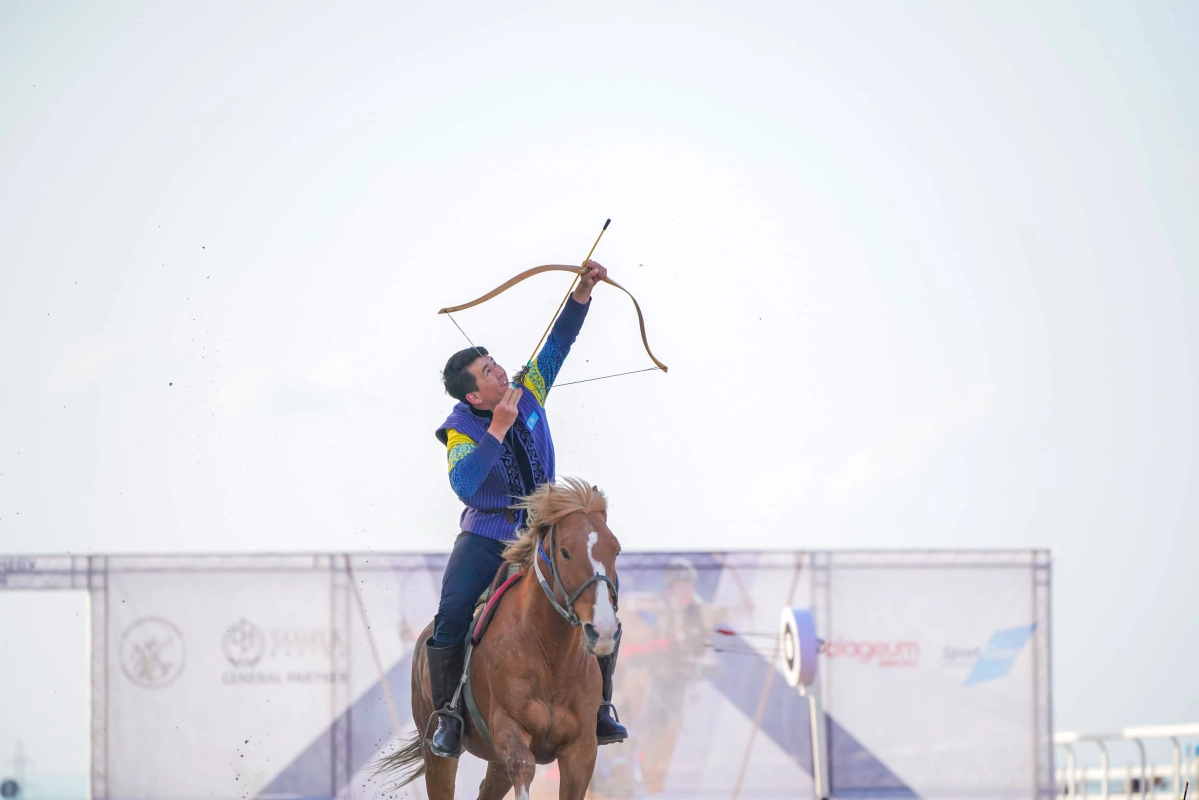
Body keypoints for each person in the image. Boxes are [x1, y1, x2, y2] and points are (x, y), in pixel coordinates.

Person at [428, 259, 627, 758]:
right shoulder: (460, 428)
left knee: (600, 598)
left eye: (496, 363)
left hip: (543, 536)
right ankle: (449, 714)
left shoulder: (528, 390)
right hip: (488, 538)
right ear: (474, 394)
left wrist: (582, 292)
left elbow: (558, 345)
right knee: (452, 613)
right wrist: (497, 428)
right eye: (488, 373)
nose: (499, 371)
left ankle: (600, 705)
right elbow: (466, 486)